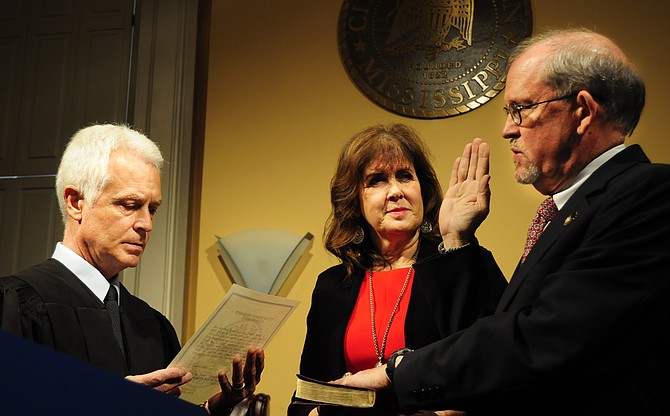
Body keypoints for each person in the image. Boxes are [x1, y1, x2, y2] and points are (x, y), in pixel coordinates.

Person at [335, 28, 670, 415]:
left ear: (583, 112)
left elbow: (543, 337)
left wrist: (399, 369)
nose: (508, 129)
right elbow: (499, 332)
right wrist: (456, 237)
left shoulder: (650, 194)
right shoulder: (568, 208)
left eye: (521, 109)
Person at [0, 124, 264, 415]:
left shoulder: (153, 326)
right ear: (76, 203)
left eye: (152, 209)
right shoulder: (16, 303)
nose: (146, 224)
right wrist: (113, 402)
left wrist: (215, 406)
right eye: (129, 205)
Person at [288, 124, 507, 416]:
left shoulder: (465, 260)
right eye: (377, 180)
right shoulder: (332, 285)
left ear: (422, 189)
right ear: (355, 200)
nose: (395, 191)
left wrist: (457, 241)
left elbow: (492, 368)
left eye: (405, 176)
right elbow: (306, 396)